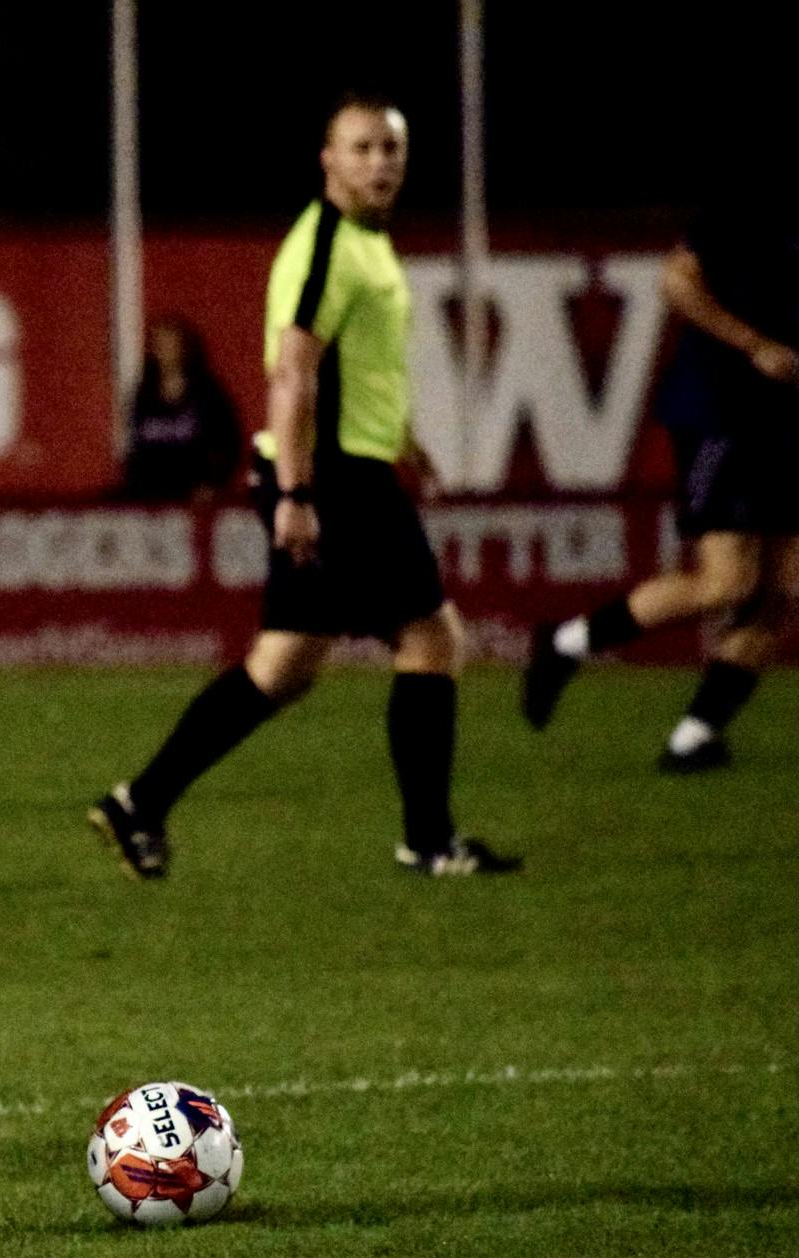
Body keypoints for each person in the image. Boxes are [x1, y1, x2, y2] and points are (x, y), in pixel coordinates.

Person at [91, 92, 520, 880]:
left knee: (283, 665)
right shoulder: (326, 244)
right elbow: (292, 371)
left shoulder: (364, 240)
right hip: (333, 478)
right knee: (433, 637)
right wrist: (295, 493)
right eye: (361, 148)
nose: (380, 162)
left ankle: (139, 801)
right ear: (328, 159)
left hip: (344, 465)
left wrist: (404, 441)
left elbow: (356, 368)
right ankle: (429, 840)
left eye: (391, 147)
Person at [522, 201, 798, 769]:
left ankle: (693, 738)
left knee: (784, 589)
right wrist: (753, 344)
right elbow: (676, 279)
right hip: (725, 411)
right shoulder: (752, 204)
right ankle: (565, 643)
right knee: (729, 582)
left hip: (786, 418)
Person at [120, 317, 243, 503]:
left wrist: (214, 483)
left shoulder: (207, 394)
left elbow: (229, 443)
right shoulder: (143, 395)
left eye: (168, 343)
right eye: (157, 344)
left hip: (194, 499)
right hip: (150, 499)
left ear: (184, 347)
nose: (161, 350)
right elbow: (133, 443)